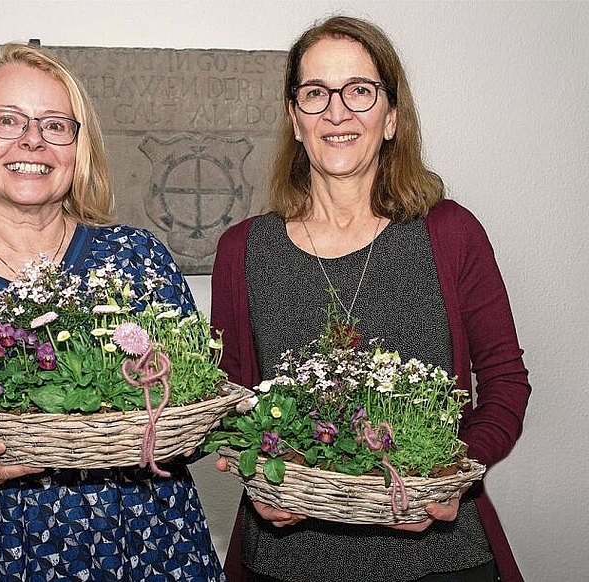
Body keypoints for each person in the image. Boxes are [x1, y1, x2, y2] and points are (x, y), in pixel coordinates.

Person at [0, 43, 225, 581]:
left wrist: (175, 427)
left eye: (56, 125)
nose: (32, 140)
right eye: (8, 120)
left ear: (78, 149)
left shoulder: (135, 257)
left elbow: (195, 409)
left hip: (148, 550)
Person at [211, 15, 530, 582]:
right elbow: (229, 400)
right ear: (294, 117)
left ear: (391, 117)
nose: (337, 112)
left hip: (438, 556)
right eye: (315, 93)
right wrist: (252, 472)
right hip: (287, 562)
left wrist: (460, 473)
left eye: (359, 90)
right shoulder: (242, 250)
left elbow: (505, 381)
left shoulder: (451, 234)